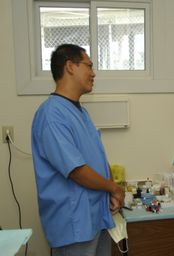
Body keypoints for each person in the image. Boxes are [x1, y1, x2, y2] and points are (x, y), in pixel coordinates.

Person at [31, 44, 125, 256]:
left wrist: (111, 188)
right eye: (89, 66)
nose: (93, 73)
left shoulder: (81, 113)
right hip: (74, 223)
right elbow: (76, 170)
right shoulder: (51, 115)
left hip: (95, 217)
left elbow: (96, 156)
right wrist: (113, 188)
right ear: (70, 66)